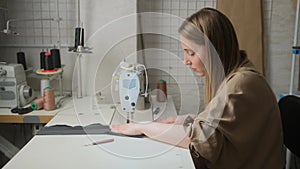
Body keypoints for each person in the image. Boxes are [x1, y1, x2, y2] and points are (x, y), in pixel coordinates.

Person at [110, 8, 285, 169]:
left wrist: (143, 127)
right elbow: (219, 124)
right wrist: (186, 120)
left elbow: (200, 139)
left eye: (191, 52)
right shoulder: (235, 75)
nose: (186, 61)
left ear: (213, 48)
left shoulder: (242, 84)